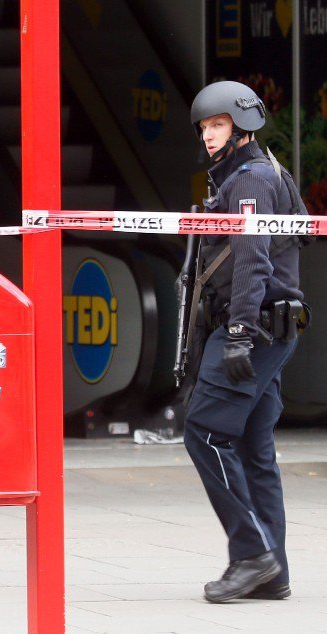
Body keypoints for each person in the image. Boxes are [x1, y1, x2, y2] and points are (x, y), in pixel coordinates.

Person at [183, 80, 307, 603]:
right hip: (271, 329)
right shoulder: (263, 171)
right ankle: (271, 570)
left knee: (204, 432)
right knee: (255, 447)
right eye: (205, 127)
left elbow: (254, 260)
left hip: (251, 330)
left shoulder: (249, 181)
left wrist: (237, 334)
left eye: (218, 125)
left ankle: (252, 555)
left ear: (243, 126)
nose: (209, 135)